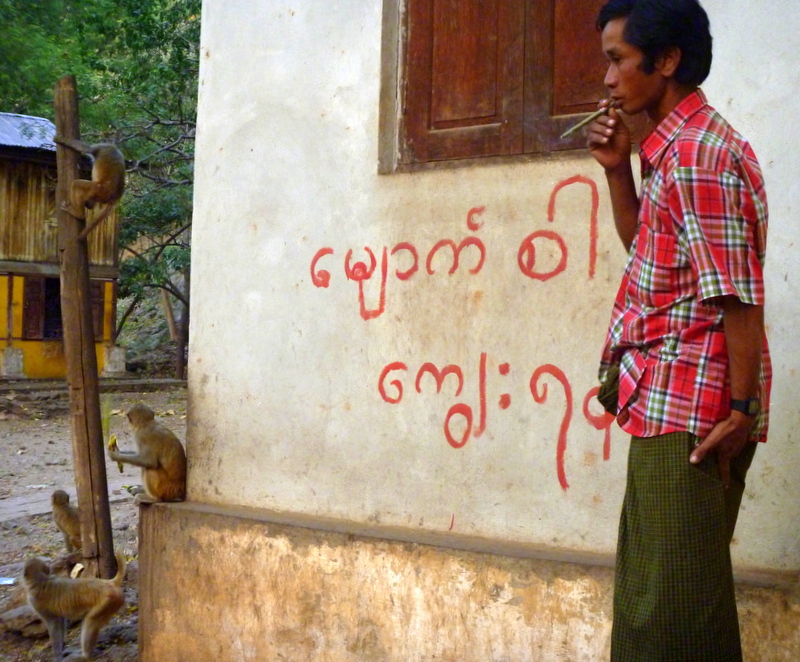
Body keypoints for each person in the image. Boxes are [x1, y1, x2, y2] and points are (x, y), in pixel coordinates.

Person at [586, 0, 771, 660]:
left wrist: (741, 410)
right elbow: (652, 252)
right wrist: (617, 172)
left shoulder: (694, 156)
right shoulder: (669, 149)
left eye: (617, 60)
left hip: (696, 412)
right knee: (669, 604)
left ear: (665, 62)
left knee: (665, 622)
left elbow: (737, 295)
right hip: (671, 399)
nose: (606, 79)